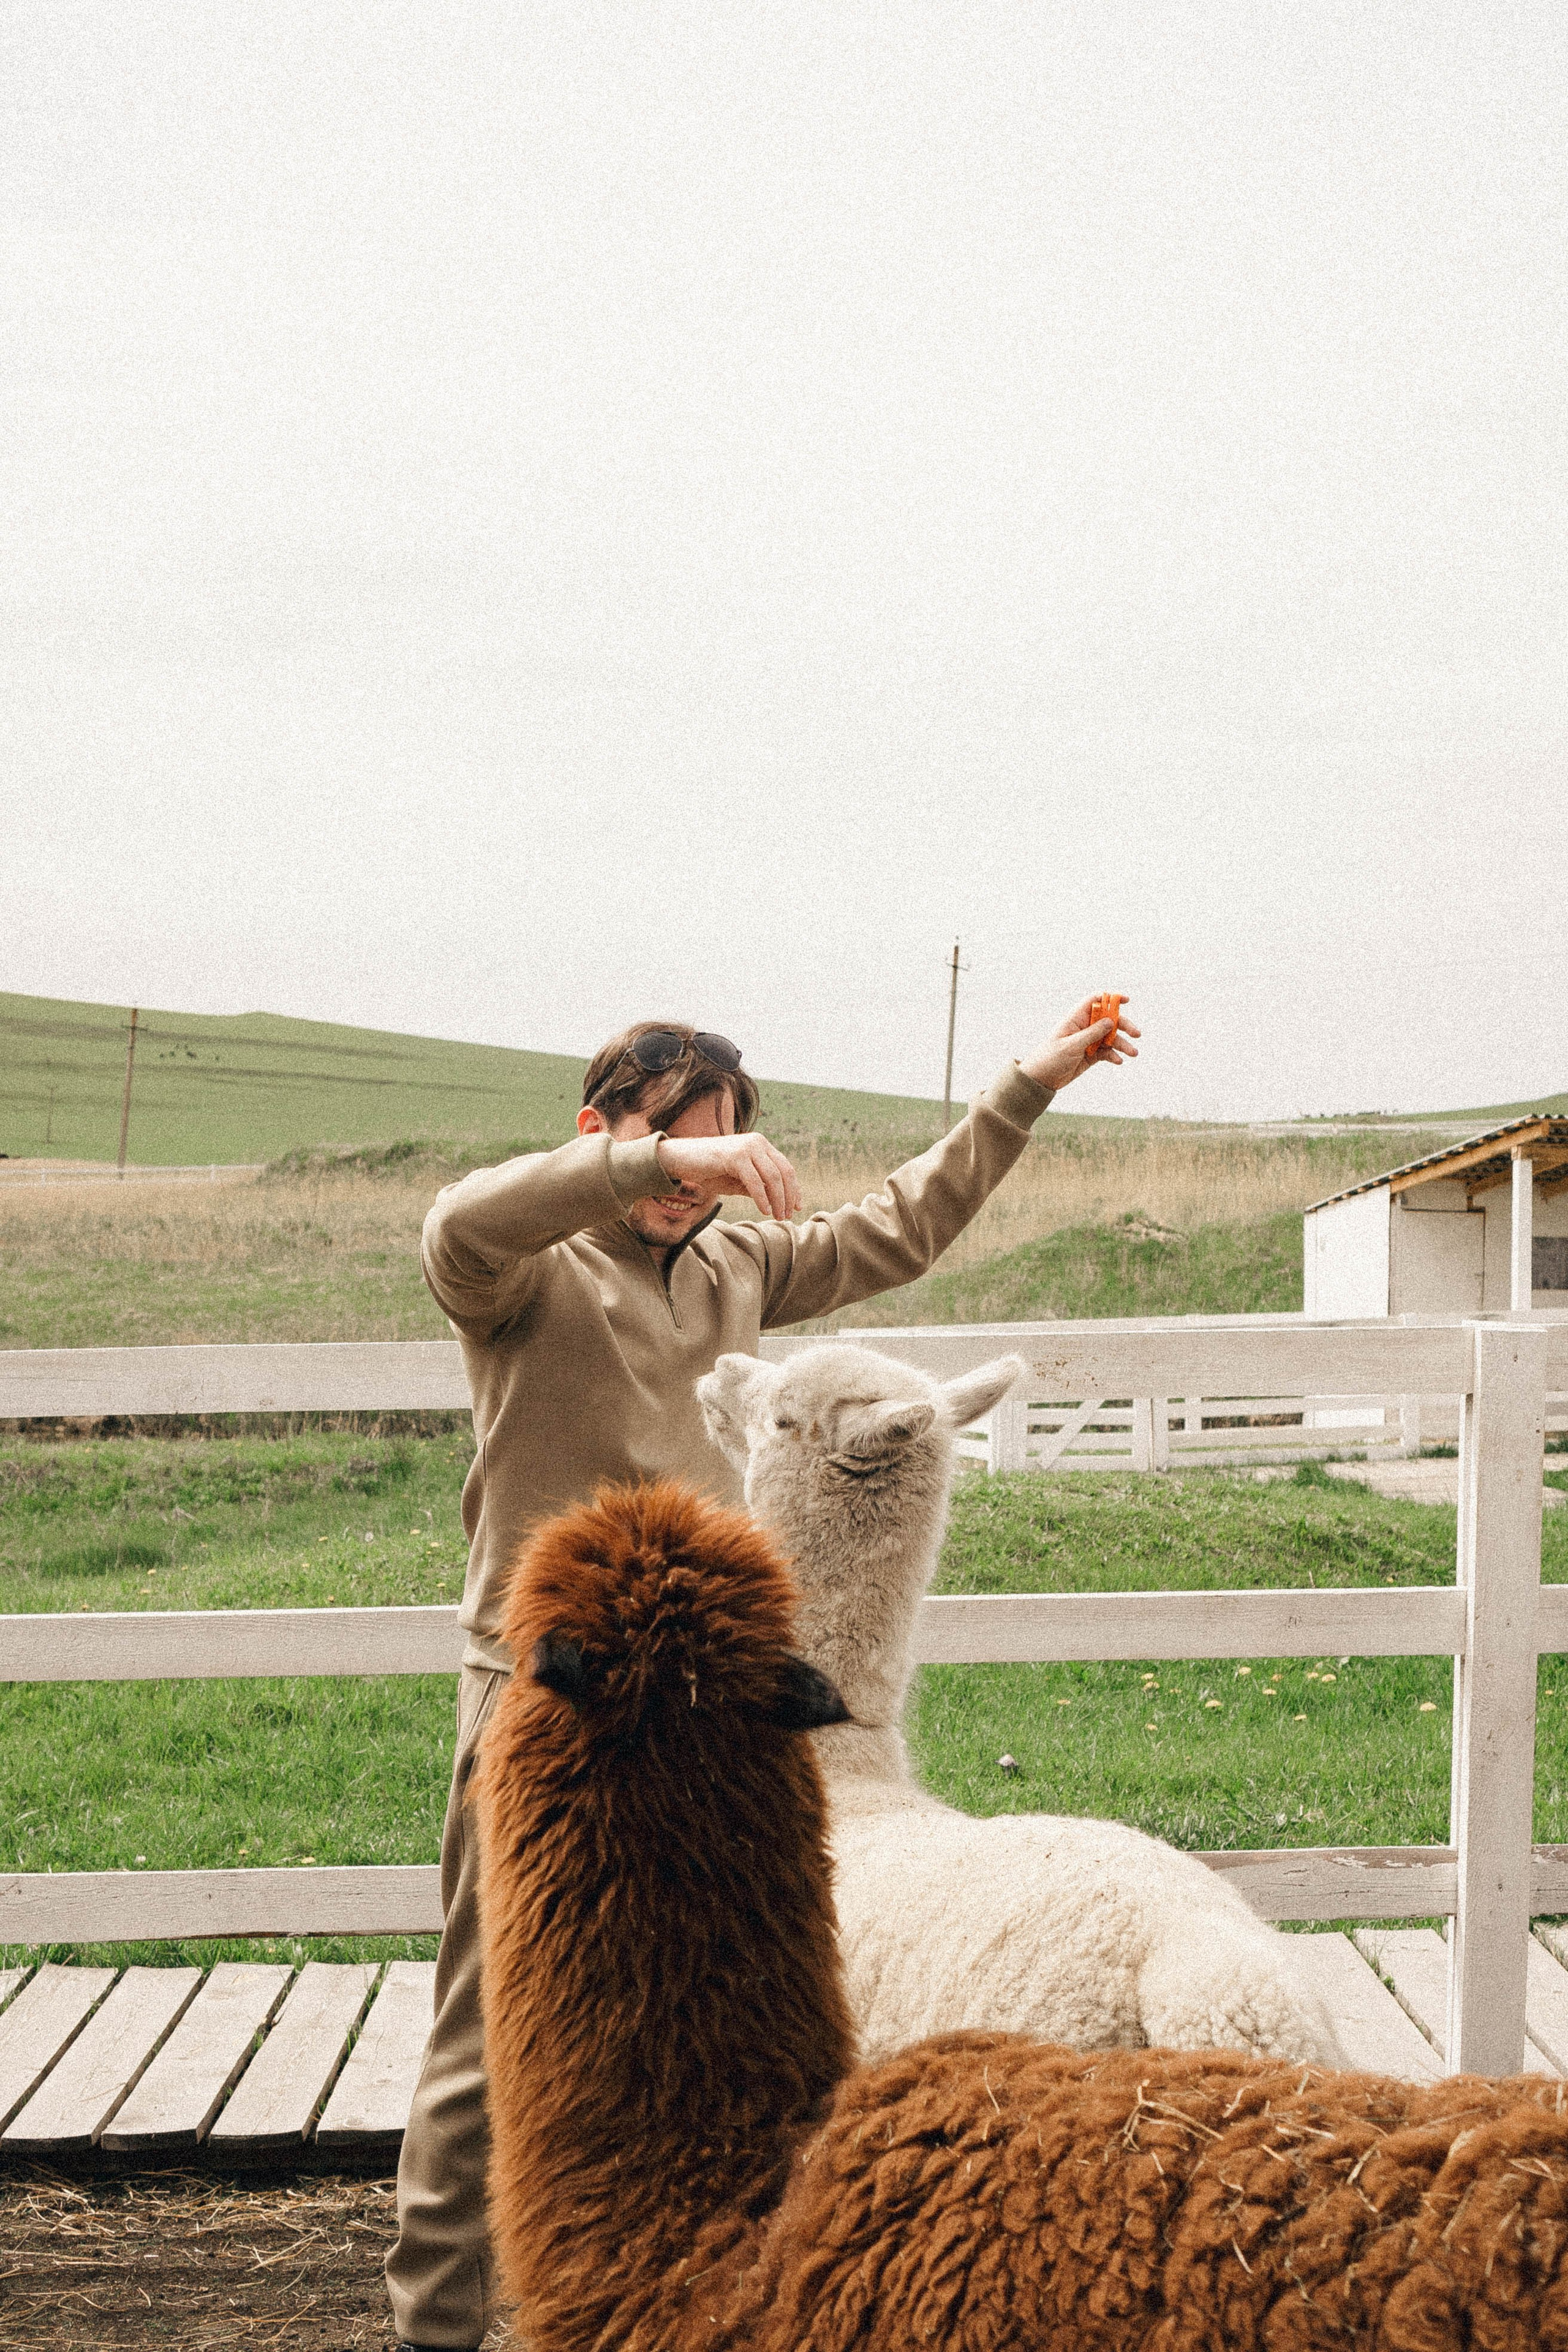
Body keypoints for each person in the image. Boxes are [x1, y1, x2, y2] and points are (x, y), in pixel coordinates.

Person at [385, 997, 1138, 2351]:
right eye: (675, 1152)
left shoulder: (735, 1270)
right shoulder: (521, 1276)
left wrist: (1025, 1086)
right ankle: (432, 2329)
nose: (701, 1181)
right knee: (485, 2029)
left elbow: (897, 1229)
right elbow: (455, 1222)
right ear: (601, 1135)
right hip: (548, 1696)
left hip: (724, 1710)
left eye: (724, 1152)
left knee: (745, 2000)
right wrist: (651, 1173)